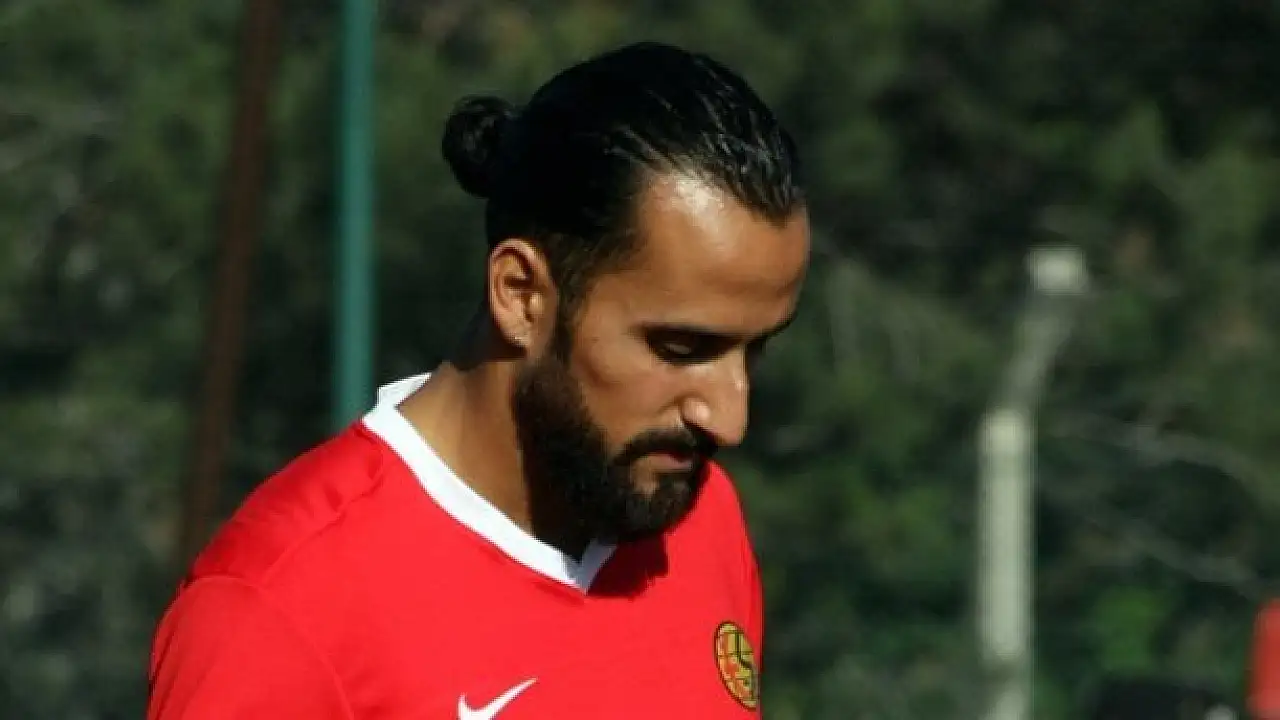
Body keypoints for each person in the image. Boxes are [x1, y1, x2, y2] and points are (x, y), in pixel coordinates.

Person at [147, 40, 810, 718]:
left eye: (754, 350)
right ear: (522, 294)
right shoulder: (279, 609)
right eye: (681, 348)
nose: (729, 420)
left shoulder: (699, 517)